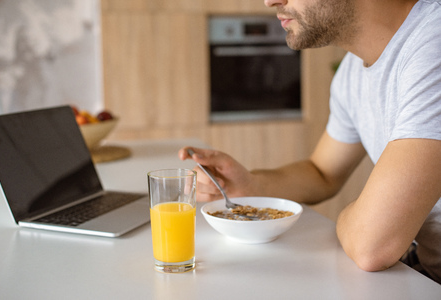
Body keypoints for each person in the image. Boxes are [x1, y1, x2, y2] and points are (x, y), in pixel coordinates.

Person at [180, 0, 441, 282]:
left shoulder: (433, 43)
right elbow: (323, 171)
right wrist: (251, 185)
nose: (270, 1)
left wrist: (363, 217)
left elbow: (372, 245)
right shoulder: (353, 71)